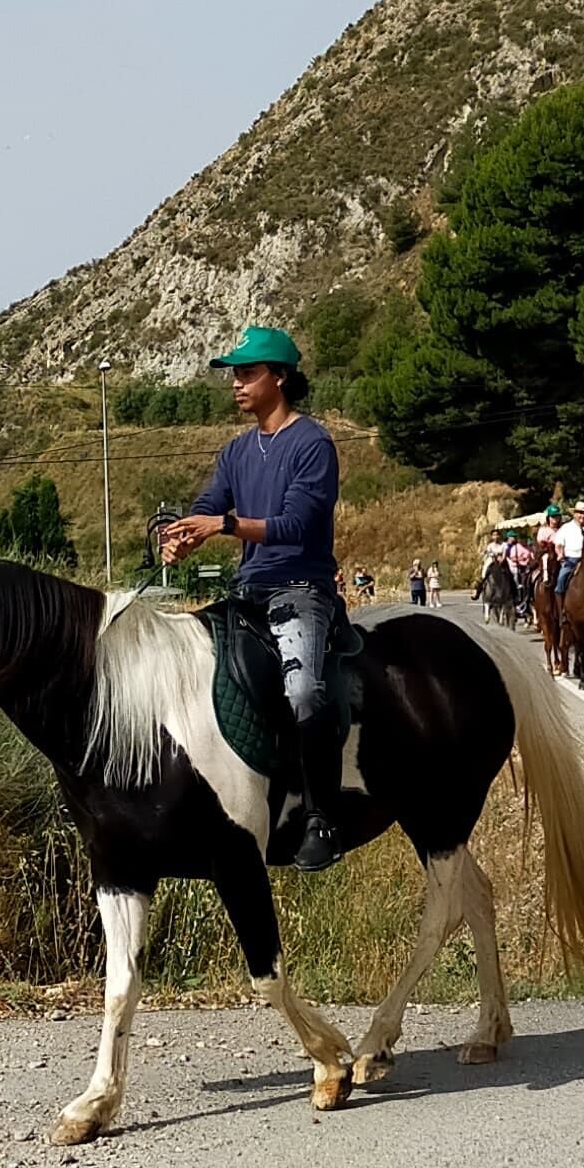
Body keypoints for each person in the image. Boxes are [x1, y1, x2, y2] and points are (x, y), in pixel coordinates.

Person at [156, 326, 356, 869]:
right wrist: (179, 535)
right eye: (235, 375)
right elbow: (208, 503)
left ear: (281, 377)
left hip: (301, 588)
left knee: (306, 690)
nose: (237, 385)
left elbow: (295, 524)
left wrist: (220, 524)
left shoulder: (311, 443)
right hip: (246, 591)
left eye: (247, 374)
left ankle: (322, 818)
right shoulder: (237, 451)